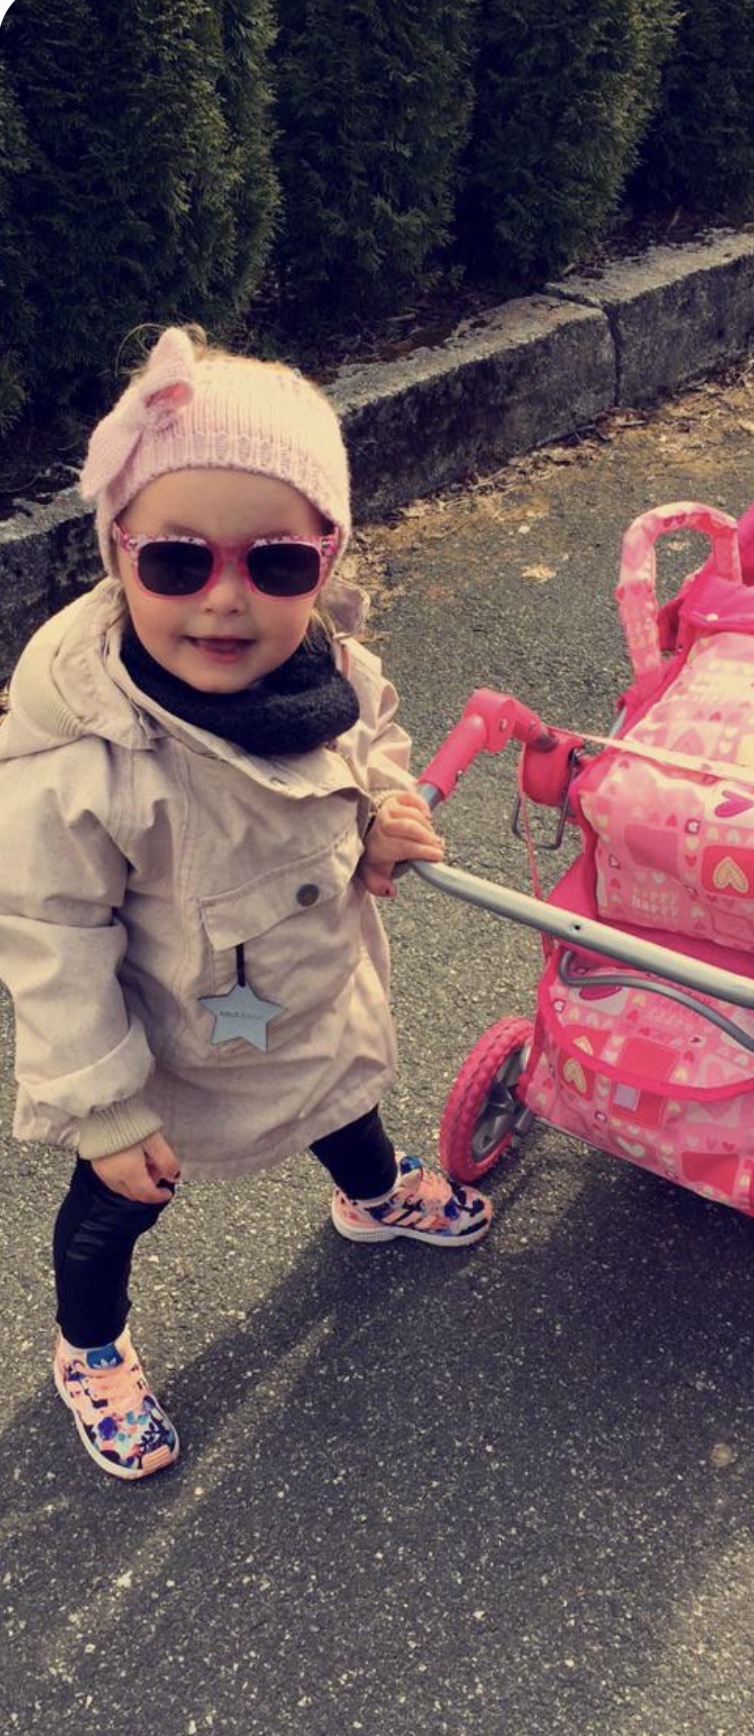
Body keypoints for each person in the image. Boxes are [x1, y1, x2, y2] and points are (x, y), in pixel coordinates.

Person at [0, 325, 491, 1482]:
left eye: (275, 563)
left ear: (325, 558)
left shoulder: (331, 667)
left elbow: (369, 738)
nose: (225, 600)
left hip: (307, 988)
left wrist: (383, 808)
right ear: (117, 554)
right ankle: (90, 1344)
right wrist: (105, 1105)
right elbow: (50, 934)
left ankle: (371, 1194)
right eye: (178, 562)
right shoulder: (90, 758)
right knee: (117, 1198)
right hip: (170, 1042)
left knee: (339, 1093)